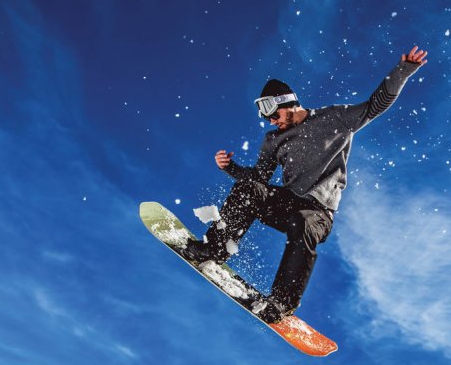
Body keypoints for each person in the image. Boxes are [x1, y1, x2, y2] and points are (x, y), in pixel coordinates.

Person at [184, 46, 429, 323]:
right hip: (286, 202)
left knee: (303, 222)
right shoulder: (272, 140)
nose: (273, 123)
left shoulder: (335, 118)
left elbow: (375, 105)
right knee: (249, 191)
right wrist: (231, 169)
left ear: (288, 102)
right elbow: (259, 179)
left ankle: (281, 303)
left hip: (318, 212)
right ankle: (215, 249)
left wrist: (403, 71)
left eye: (275, 116)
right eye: (268, 120)